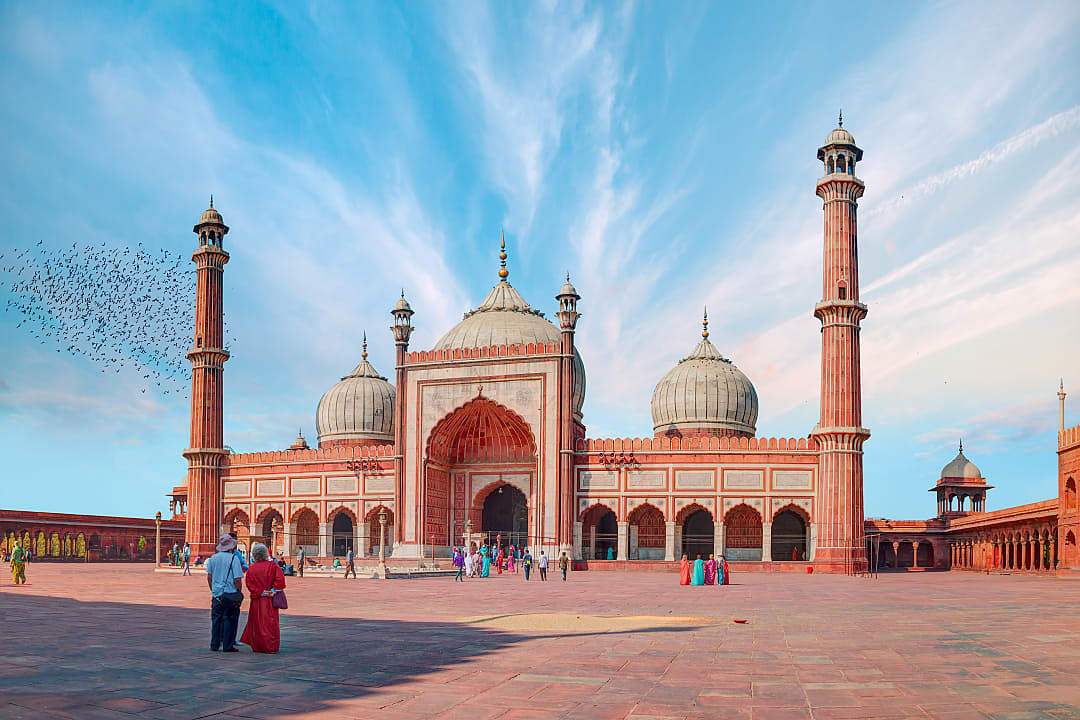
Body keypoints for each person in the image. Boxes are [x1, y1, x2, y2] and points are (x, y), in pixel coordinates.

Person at [240, 543, 286, 653]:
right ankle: (270, 646)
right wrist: (272, 591)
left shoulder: (251, 568)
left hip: (257, 599)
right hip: (270, 599)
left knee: (257, 622)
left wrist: (261, 592)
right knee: (270, 622)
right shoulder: (273, 566)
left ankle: (258, 645)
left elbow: (249, 584)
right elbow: (280, 580)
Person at [205, 533, 245, 652]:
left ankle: (214, 645)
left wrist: (214, 590)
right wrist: (239, 591)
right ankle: (227, 645)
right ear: (231, 547)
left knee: (216, 620)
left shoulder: (213, 558)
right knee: (229, 619)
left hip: (217, 595)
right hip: (230, 594)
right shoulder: (234, 558)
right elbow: (237, 579)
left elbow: (209, 577)